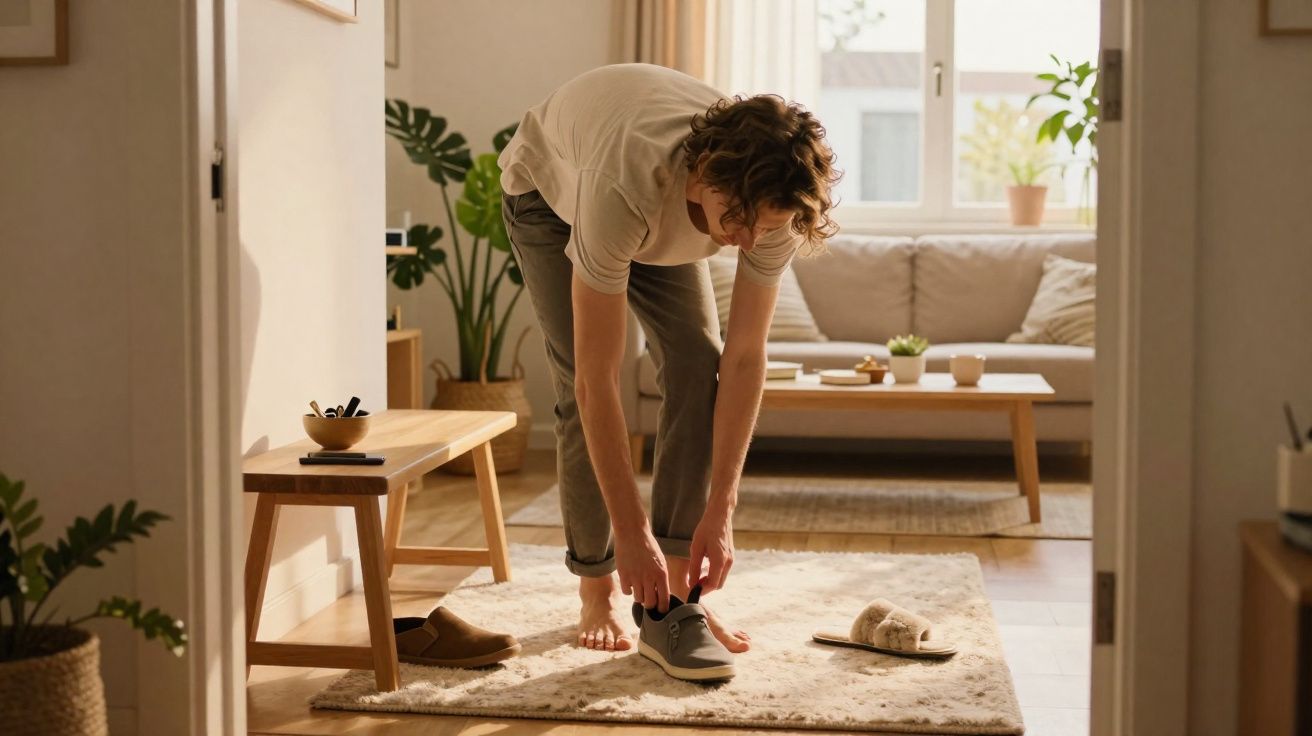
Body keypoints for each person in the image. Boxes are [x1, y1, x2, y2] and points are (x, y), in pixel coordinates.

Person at [498, 63, 838, 653]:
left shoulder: (770, 207)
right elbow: (599, 380)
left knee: (696, 361)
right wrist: (631, 533)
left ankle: (676, 601)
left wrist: (722, 509)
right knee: (580, 377)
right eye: (742, 221)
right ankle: (599, 589)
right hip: (550, 192)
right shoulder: (624, 185)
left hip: (657, 200)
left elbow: (744, 359)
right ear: (707, 175)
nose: (750, 243)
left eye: (770, 226)